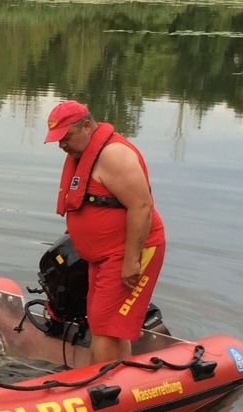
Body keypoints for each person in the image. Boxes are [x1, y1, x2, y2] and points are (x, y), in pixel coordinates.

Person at [44, 99, 167, 364]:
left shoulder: (114, 156)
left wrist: (132, 261)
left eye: (66, 136)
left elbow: (142, 206)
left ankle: (99, 389)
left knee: (105, 324)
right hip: (103, 255)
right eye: (57, 138)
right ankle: (118, 380)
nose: (61, 144)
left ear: (87, 125)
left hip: (128, 252)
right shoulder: (82, 153)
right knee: (106, 323)